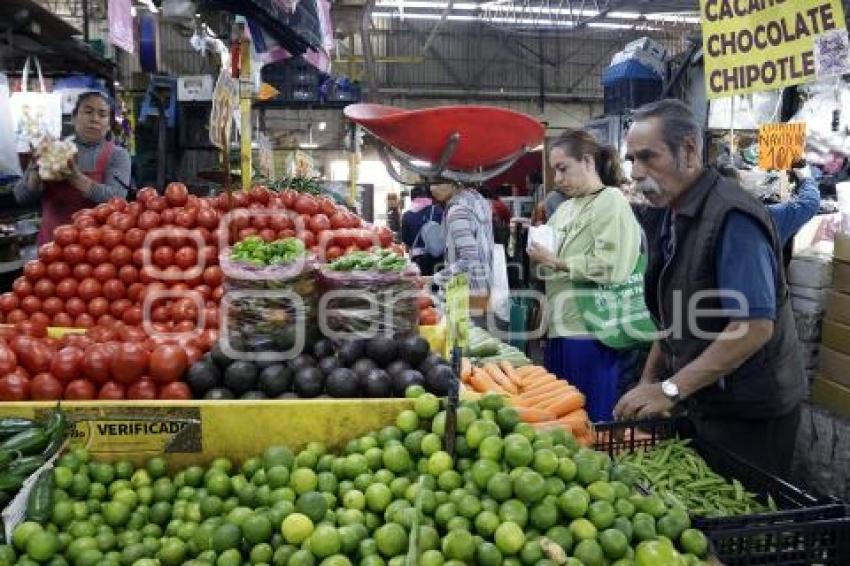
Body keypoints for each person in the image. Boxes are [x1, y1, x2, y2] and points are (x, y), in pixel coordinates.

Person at [614, 99, 806, 479]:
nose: (635, 172)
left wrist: (670, 390)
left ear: (688, 150)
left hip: (751, 410)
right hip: (709, 397)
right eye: (631, 159)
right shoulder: (673, 215)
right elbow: (675, 317)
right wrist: (649, 380)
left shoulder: (732, 216)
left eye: (647, 157)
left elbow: (753, 328)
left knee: (743, 519)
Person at [527, 129, 647, 422]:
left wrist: (556, 261)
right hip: (559, 328)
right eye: (555, 170)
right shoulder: (566, 209)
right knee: (562, 420)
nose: (557, 179)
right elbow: (546, 267)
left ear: (588, 162)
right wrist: (538, 258)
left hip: (591, 331)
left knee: (591, 420)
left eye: (563, 168)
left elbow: (612, 266)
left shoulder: (610, 201)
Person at [15, 91, 131, 245]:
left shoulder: (117, 155)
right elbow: (20, 197)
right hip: (52, 245)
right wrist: (35, 174)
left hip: (97, 247)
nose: (95, 119)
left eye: (102, 115)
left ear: (109, 124)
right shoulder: (51, 150)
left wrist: (75, 178)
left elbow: (117, 200)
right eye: (88, 112)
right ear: (74, 118)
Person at [430, 183, 496, 323]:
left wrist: (435, 279)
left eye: (438, 183)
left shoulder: (457, 212)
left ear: (455, 183)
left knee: (466, 339)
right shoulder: (478, 201)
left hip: (466, 291)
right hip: (484, 285)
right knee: (479, 336)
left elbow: (469, 259)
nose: (432, 188)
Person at [401, 184, 444, 276]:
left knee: (422, 285)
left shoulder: (407, 215)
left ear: (412, 198)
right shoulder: (438, 210)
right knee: (438, 284)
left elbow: (405, 239)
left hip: (418, 259)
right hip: (439, 256)